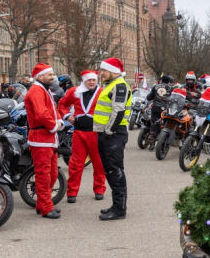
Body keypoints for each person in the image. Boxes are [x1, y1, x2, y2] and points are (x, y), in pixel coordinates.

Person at [58, 70, 106, 203]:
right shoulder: (75, 91)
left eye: (93, 80)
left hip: (96, 132)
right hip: (79, 132)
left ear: (96, 81)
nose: (91, 82)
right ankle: (72, 192)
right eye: (89, 80)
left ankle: (99, 189)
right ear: (84, 81)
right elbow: (62, 104)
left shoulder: (102, 92)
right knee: (75, 164)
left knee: (99, 163)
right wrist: (67, 116)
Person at [24, 63, 64, 219]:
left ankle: (43, 204)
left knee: (52, 173)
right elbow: (42, 114)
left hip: (48, 138)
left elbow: (54, 110)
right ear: (40, 76)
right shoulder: (36, 91)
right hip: (41, 138)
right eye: (50, 74)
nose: (53, 77)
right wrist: (55, 125)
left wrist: (58, 122)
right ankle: (46, 208)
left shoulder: (43, 90)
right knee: (43, 175)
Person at [94, 57, 131, 221]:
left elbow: (118, 111)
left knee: (116, 171)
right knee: (110, 171)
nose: (101, 73)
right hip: (107, 135)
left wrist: (108, 132)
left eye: (103, 70)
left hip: (113, 135)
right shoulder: (111, 85)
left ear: (112, 70)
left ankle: (119, 209)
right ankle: (116, 205)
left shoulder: (120, 86)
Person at [146, 75, 173, 145]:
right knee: (165, 125)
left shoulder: (155, 87)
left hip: (155, 108)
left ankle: (151, 143)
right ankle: (163, 142)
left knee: (153, 125)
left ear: (161, 80)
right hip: (165, 110)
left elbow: (149, 97)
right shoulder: (170, 88)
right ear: (169, 82)